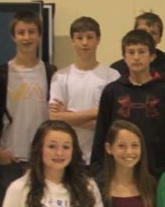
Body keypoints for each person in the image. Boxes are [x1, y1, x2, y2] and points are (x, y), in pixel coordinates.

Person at [91, 29, 165, 179]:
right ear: (124, 57)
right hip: (118, 173)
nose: (136, 57)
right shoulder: (112, 91)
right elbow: (101, 133)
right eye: (131, 52)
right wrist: (98, 171)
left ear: (152, 56)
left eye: (142, 52)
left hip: (157, 172)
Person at [0, 10, 54, 207]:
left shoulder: (50, 72)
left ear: (39, 35)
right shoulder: (1, 74)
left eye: (31, 32)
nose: (26, 37)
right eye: (21, 32)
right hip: (11, 159)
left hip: (43, 159)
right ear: (13, 36)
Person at [49, 16, 119, 165]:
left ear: (98, 40)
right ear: (72, 41)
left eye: (90, 37)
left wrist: (69, 115)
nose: (85, 43)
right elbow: (55, 118)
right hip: (68, 155)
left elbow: (112, 121)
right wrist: (96, 112)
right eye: (79, 38)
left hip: (102, 155)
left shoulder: (112, 76)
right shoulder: (60, 77)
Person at [97, 120, 156, 207]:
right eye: (122, 146)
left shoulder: (151, 185)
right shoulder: (98, 187)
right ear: (109, 148)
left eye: (135, 145)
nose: (129, 152)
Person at [111, 11, 165, 82]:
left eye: (153, 33)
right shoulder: (117, 70)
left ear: (159, 38)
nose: (147, 35)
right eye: (143, 31)